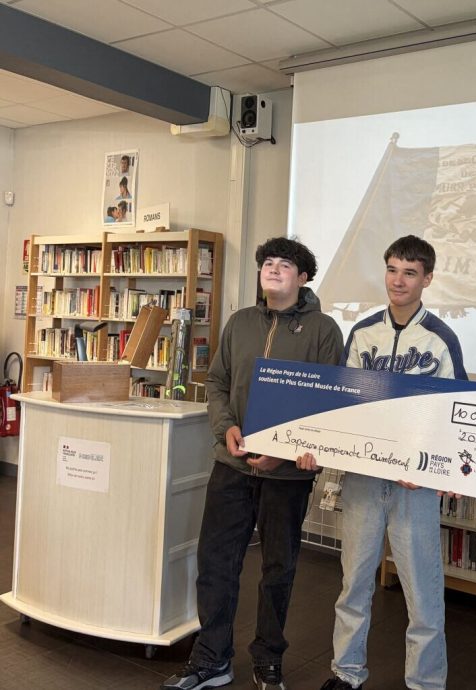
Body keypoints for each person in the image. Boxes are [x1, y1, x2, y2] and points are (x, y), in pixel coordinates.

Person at [161, 237, 343, 690]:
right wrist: (226, 428)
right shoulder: (240, 322)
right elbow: (218, 382)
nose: (274, 269)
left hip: (286, 475)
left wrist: (283, 450)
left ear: (303, 278)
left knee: (278, 570)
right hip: (232, 465)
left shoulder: (323, 330)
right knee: (216, 564)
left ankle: (268, 660)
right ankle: (211, 660)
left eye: (286, 265)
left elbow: (325, 402)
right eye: (268, 263)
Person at [299, 235, 467, 690]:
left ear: (427, 279)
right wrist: (317, 442)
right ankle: (346, 672)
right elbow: (340, 401)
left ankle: (425, 682)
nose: (398, 280)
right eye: (392, 269)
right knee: (353, 583)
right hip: (363, 480)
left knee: (423, 593)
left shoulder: (440, 338)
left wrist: (437, 470)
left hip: (415, 486)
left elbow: (455, 413)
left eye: (410, 272)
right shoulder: (363, 332)